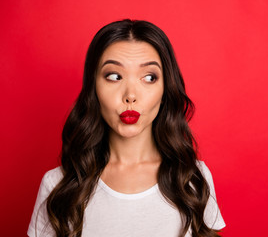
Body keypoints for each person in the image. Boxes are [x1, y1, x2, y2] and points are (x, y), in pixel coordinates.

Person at [28, 19, 225, 237]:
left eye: (149, 77)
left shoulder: (192, 178)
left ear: (165, 91)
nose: (130, 95)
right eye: (114, 76)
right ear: (94, 89)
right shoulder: (59, 185)